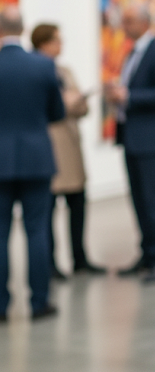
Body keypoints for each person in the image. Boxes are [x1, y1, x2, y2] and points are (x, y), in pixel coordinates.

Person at [0, 7, 65, 321]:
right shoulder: (43, 65)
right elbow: (57, 112)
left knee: (0, 233)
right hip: (37, 159)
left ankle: (1, 305)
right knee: (37, 230)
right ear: (23, 29)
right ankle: (39, 302)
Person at [104, 2, 155, 283]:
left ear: (145, 23)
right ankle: (147, 255)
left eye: (129, 21)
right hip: (131, 137)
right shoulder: (132, 52)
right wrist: (119, 93)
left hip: (149, 139)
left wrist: (128, 96)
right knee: (138, 200)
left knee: (151, 200)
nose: (124, 26)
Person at [31, 24, 106, 278]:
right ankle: (50, 264)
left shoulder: (66, 71)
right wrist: (65, 103)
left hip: (72, 147)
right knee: (47, 210)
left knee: (78, 204)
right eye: (56, 40)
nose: (61, 45)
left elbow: (83, 109)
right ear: (43, 43)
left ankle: (80, 259)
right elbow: (42, 108)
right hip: (51, 148)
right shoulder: (35, 70)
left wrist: (75, 103)